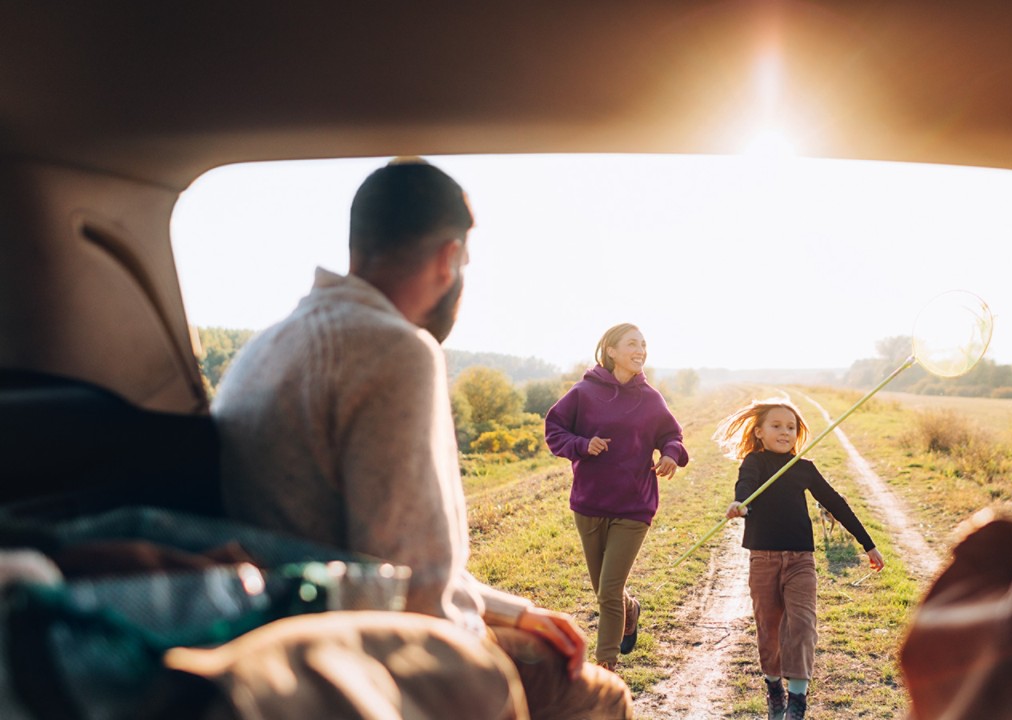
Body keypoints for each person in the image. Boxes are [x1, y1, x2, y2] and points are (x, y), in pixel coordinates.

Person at [213, 158, 632, 719]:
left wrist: (513, 610)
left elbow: (382, 558)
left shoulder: (268, 344)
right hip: (351, 656)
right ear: (448, 258)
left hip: (286, 623)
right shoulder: (396, 349)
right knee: (602, 696)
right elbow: (416, 596)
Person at [716, 399, 886, 720]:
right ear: (760, 432)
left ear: (798, 433)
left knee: (803, 625)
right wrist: (740, 503)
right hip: (763, 558)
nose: (784, 432)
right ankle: (774, 688)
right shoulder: (754, 463)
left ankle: (797, 701)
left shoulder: (803, 469)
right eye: (776, 426)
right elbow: (745, 486)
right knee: (769, 627)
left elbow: (837, 503)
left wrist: (868, 545)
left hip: (801, 561)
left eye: (791, 427)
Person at [544, 323, 689, 671]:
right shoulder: (583, 392)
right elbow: (554, 429)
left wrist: (670, 454)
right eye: (632, 344)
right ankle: (630, 610)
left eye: (643, 344)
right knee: (606, 591)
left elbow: (672, 435)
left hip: (634, 506)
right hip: (589, 504)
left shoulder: (650, 398)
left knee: (608, 591)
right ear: (610, 350)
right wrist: (581, 445)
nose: (640, 350)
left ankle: (604, 666)